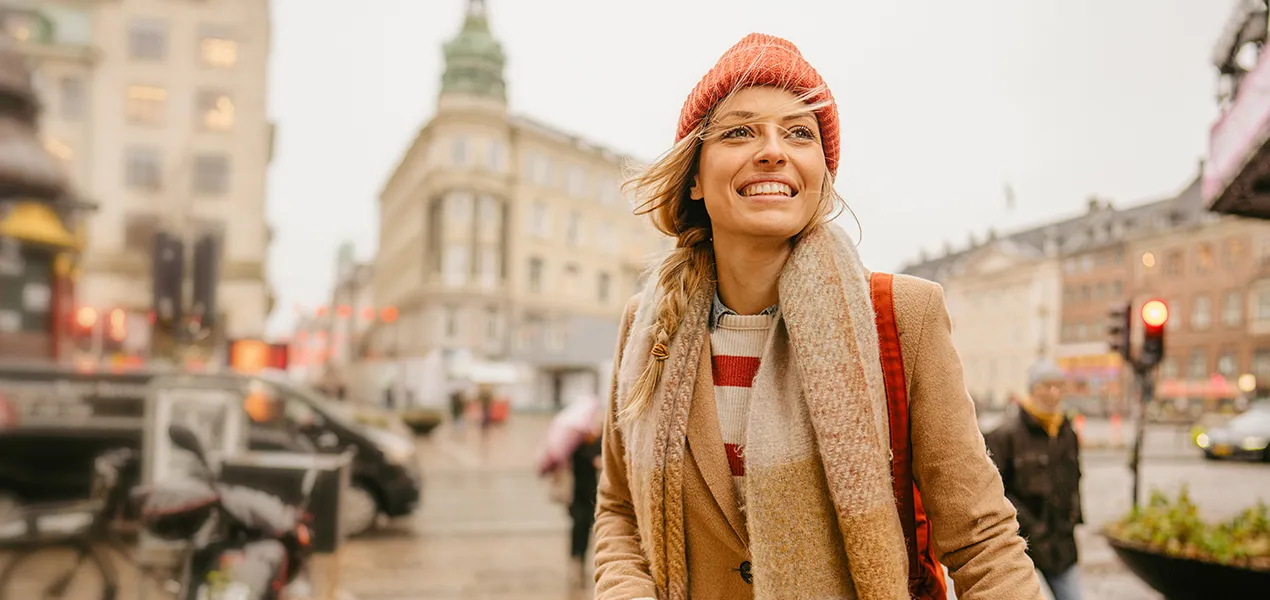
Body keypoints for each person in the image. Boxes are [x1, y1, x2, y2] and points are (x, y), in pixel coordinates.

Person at [592, 33, 1044, 600]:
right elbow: (620, 511)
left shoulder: (904, 316)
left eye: (799, 133)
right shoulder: (645, 326)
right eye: (739, 131)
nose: (773, 150)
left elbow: (983, 543)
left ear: (821, 178)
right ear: (694, 177)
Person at [985, 359, 1084, 600]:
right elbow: (996, 491)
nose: (1054, 393)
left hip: (1060, 546)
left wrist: (1075, 517)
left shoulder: (1066, 432)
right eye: (1047, 386)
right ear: (1032, 389)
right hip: (1020, 546)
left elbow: (1074, 480)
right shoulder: (1005, 435)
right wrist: (1028, 527)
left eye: (1059, 386)